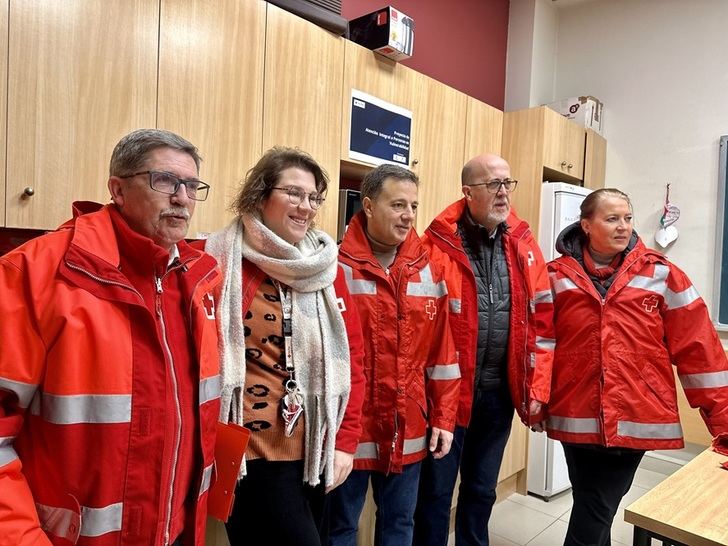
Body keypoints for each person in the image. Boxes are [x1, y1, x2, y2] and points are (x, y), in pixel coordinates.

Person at [0, 129, 222, 545]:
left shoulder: (200, 280)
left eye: (192, 186)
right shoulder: (33, 273)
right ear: (117, 189)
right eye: (165, 181)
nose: (182, 197)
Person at [545, 187, 728, 546]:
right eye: (612, 218)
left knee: (595, 506)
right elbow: (537, 345)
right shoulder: (554, 277)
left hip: (635, 414)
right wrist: (533, 401)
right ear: (585, 224)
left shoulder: (662, 275)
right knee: (592, 502)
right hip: (574, 415)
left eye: (627, 218)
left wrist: (723, 422)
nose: (624, 227)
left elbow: (700, 352)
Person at [203, 146, 365, 546]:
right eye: (293, 193)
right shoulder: (217, 262)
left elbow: (353, 360)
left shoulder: (326, 266)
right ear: (260, 195)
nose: (306, 206)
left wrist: (345, 443)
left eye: (313, 197)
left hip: (313, 448)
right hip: (248, 452)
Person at [413, 153, 555, 546]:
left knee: (481, 490)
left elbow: (543, 325)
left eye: (508, 183)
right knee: (436, 495)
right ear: (468, 191)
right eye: (494, 184)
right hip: (445, 398)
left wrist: (537, 390)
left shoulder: (524, 246)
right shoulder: (434, 247)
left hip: (498, 396)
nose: (504, 193)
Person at [328, 164, 460, 546]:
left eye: (414, 206)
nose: (408, 216)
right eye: (398, 204)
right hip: (349, 430)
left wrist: (445, 418)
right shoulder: (333, 267)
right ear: (368, 206)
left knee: (400, 525)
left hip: (410, 426)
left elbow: (443, 354)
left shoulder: (429, 270)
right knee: (340, 528)